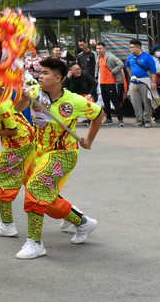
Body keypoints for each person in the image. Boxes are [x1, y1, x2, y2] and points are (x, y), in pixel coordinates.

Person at [14, 58, 103, 259]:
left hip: (64, 153)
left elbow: (99, 114)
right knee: (44, 194)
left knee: (37, 187)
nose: (40, 76)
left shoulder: (73, 100)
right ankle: (83, 222)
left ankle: (35, 243)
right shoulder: (34, 91)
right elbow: (18, 108)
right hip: (39, 153)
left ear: (57, 78)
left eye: (45, 73)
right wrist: (23, 96)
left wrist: (88, 139)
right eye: (40, 73)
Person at [0, 91, 36, 237]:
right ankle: (77, 219)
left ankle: (7, 225)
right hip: (27, 141)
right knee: (36, 183)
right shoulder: (0, 96)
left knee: (1, 182)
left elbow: (12, 130)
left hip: (18, 145)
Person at [125, 38, 157, 128]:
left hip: (144, 82)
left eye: (132, 47)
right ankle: (139, 120)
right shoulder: (130, 57)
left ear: (138, 47)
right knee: (135, 102)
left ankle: (147, 120)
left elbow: (153, 71)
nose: (130, 49)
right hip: (133, 82)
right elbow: (126, 65)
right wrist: (130, 74)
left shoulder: (147, 57)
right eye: (130, 47)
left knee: (147, 102)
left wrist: (153, 83)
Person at [95, 42, 125, 126]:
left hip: (110, 83)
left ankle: (120, 119)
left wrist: (113, 71)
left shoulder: (110, 57)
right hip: (102, 82)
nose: (98, 50)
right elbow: (97, 68)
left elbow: (121, 64)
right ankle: (109, 118)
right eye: (97, 49)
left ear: (104, 49)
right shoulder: (98, 58)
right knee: (106, 102)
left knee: (115, 102)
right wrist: (96, 76)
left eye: (100, 48)